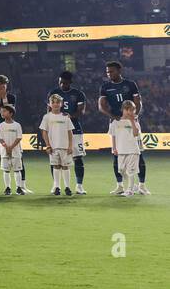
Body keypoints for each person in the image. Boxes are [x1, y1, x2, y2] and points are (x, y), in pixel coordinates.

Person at [99, 61, 147, 195]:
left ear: (119, 71)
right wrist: (112, 116)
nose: (109, 74)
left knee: (138, 153)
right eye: (107, 72)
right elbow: (101, 105)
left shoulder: (130, 84)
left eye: (112, 71)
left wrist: (135, 115)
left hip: (131, 122)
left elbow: (138, 102)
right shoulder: (105, 87)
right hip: (117, 123)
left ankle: (141, 185)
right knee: (116, 154)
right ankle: (120, 185)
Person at [0, 75, 30, 194]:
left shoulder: (11, 97)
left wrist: (3, 99)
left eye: (3, 87)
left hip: (11, 131)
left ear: (6, 87)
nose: (0, 89)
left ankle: (22, 186)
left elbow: (10, 113)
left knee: (18, 157)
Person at [52, 70, 88, 195]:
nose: (62, 85)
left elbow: (81, 111)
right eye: (60, 82)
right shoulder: (54, 93)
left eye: (65, 83)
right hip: (57, 131)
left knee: (77, 157)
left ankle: (79, 186)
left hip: (75, 129)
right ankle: (56, 186)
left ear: (70, 82)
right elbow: (49, 110)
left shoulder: (78, 94)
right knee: (56, 159)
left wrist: (68, 116)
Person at [39, 93, 76, 196]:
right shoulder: (47, 117)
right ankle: (57, 187)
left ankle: (67, 187)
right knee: (56, 166)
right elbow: (44, 132)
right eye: (53, 102)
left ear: (61, 104)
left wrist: (70, 146)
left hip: (65, 146)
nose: (55, 104)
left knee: (65, 166)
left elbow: (70, 132)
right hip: (53, 147)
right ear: (49, 104)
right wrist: (48, 145)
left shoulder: (65, 117)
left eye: (57, 102)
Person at [109, 101, 144, 196]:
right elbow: (113, 136)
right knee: (121, 170)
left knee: (130, 171)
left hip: (133, 150)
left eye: (133, 110)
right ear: (124, 110)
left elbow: (136, 134)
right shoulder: (116, 122)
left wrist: (132, 121)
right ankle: (134, 187)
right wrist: (114, 148)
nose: (132, 112)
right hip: (121, 150)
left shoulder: (135, 122)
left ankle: (130, 191)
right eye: (131, 110)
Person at [0, 104, 26, 196]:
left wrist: (11, 147)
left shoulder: (17, 125)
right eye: (1, 112)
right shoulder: (1, 125)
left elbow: (19, 138)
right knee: (6, 170)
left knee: (17, 170)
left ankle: (18, 188)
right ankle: (7, 188)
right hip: (5, 151)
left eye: (4, 111)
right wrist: (6, 146)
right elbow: (0, 138)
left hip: (16, 151)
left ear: (11, 113)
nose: (2, 113)